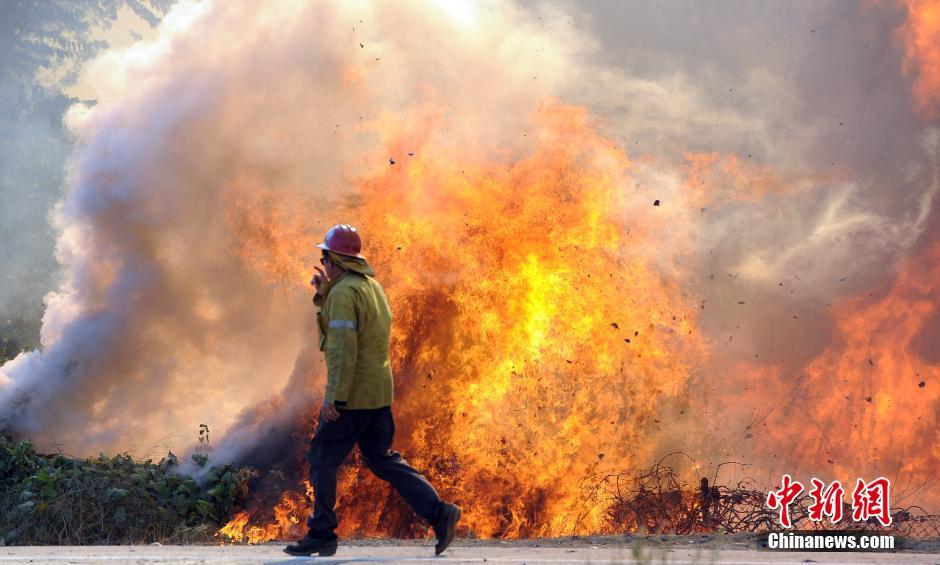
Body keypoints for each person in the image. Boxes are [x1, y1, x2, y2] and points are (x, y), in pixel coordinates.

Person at [285, 224, 461, 557]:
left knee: (322, 458)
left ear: (336, 260)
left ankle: (322, 533)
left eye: (325, 258)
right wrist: (324, 295)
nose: (324, 265)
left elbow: (341, 349)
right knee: (381, 458)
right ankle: (440, 513)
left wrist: (334, 397)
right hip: (378, 392)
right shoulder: (371, 287)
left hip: (353, 395)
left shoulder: (343, 294)